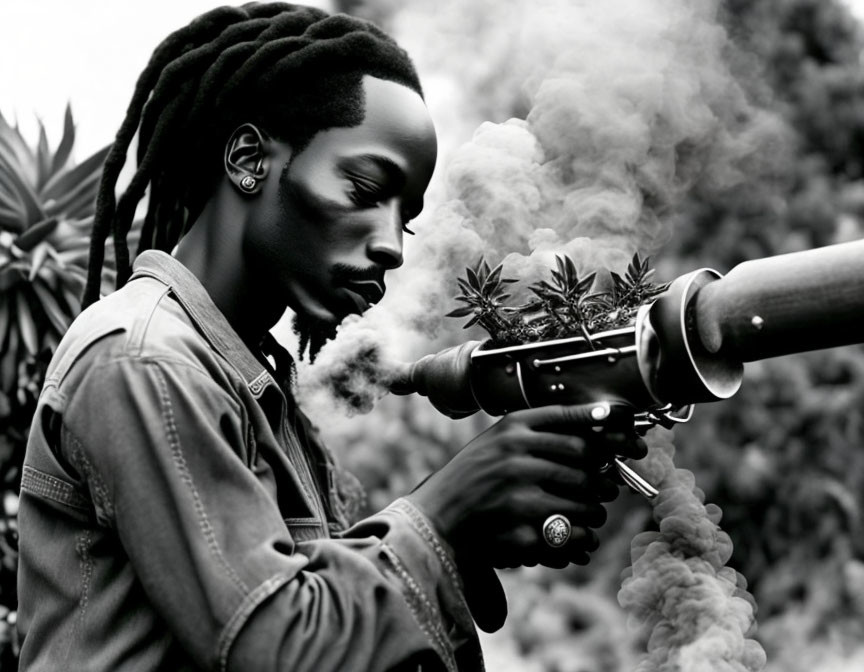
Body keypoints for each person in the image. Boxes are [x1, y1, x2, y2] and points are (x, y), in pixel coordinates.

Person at [16, 4, 646, 671]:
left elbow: (325, 617)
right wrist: (448, 504)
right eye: (366, 187)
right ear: (250, 159)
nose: (389, 248)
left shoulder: (252, 385)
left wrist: (461, 542)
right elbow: (278, 648)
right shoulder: (145, 360)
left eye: (403, 222)